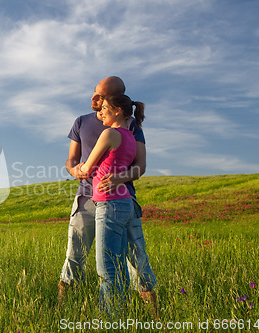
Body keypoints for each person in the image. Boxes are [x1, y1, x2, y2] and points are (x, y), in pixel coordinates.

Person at [58, 77, 157, 318]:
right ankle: (59, 310)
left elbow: (140, 165)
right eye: (94, 93)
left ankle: (154, 316)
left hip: (121, 200)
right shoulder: (81, 122)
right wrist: (75, 171)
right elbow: (72, 160)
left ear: (115, 101)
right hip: (86, 199)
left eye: (100, 96)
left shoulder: (130, 125)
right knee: (75, 255)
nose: (94, 99)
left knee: (136, 257)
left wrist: (119, 179)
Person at [79, 94, 144, 317]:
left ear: (117, 110)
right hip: (124, 201)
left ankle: (110, 319)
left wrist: (79, 168)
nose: (101, 113)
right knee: (119, 265)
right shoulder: (130, 137)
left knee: (106, 266)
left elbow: (87, 168)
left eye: (105, 108)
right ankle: (121, 313)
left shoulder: (109, 134)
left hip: (109, 204)